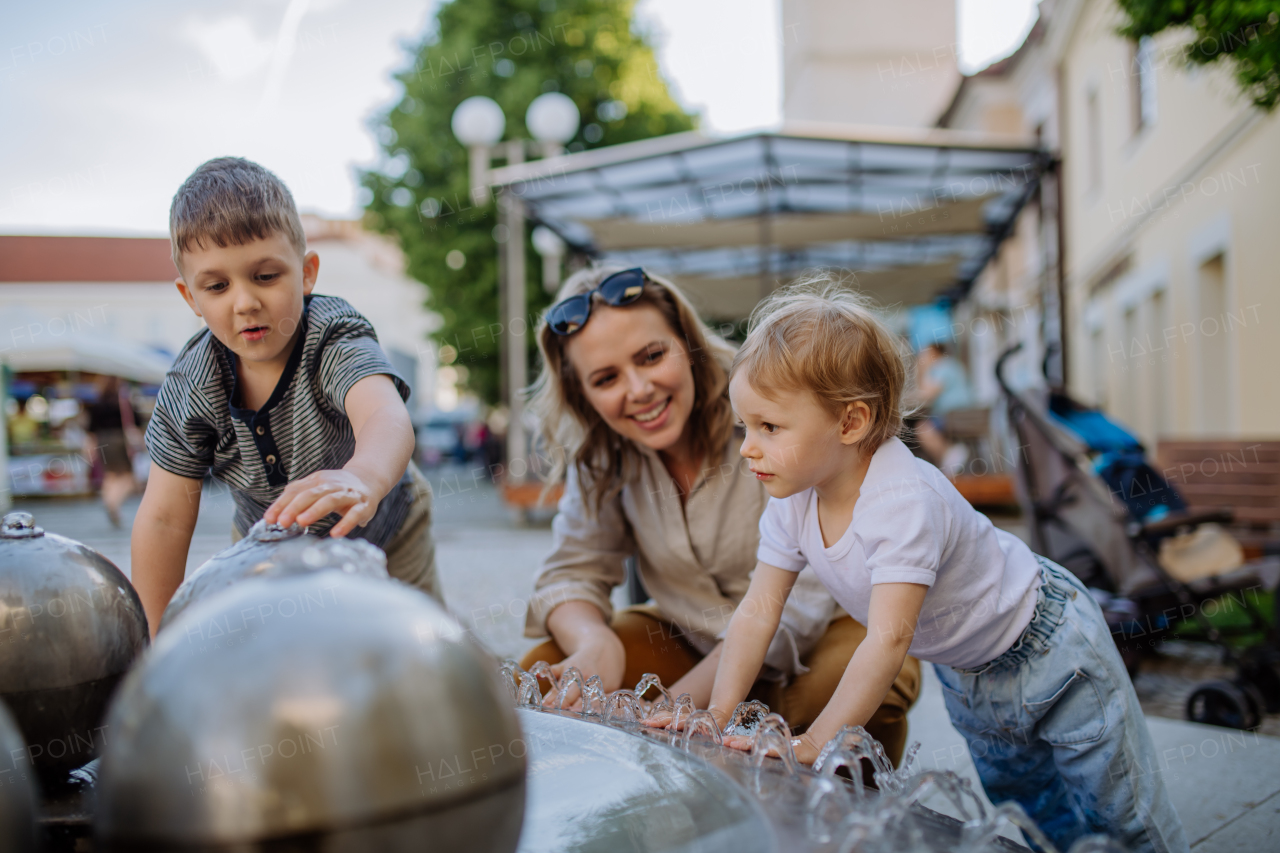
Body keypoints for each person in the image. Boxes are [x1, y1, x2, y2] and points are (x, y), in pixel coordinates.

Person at [680, 278, 1187, 853]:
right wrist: (714, 716)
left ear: (851, 423)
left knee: (1121, 814)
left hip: (1052, 649)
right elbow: (757, 612)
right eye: (745, 425)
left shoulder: (900, 500)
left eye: (769, 427)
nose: (747, 446)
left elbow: (888, 640)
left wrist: (817, 739)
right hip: (967, 673)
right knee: (1033, 815)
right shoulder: (795, 497)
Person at [520, 266, 920, 762]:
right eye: (605, 378)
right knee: (550, 667)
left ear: (686, 343)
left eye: (651, 356)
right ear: (582, 394)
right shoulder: (601, 454)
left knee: (828, 701)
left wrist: (678, 703)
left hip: (825, 635)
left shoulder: (769, 405)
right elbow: (571, 572)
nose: (639, 389)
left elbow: (797, 604)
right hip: (697, 637)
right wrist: (596, 642)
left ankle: (845, 817)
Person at [131, 157, 439, 637]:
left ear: (307, 272)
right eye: (216, 286)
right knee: (279, 658)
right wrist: (156, 639)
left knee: (413, 651)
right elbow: (165, 518)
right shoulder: (192, 383)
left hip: (385, 533)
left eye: (266, 276)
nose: (245, 301)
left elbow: (384, 413)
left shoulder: (330, 335)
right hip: (269, 548)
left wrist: (364, 476)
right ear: (190, 297)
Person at [84, 376, 140, 527]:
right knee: (128, 478)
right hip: (120, 441)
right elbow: (136, 423)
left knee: (110, 475)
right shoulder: (123, 404)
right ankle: (113, 503)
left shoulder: (97, 404)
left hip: (103, 441)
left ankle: (109, 501)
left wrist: (89, 449)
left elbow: (91, 430)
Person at [911, 342, 974, 475]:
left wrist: (922, 370)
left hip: (954, 416)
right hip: (966, 415)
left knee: (922, 428)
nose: (920, 358)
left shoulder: (941, 367)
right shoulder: (952, 365)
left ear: (933, 353)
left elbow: (927, 394)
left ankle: (950, 455)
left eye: (923, 355)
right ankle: (949, 457)